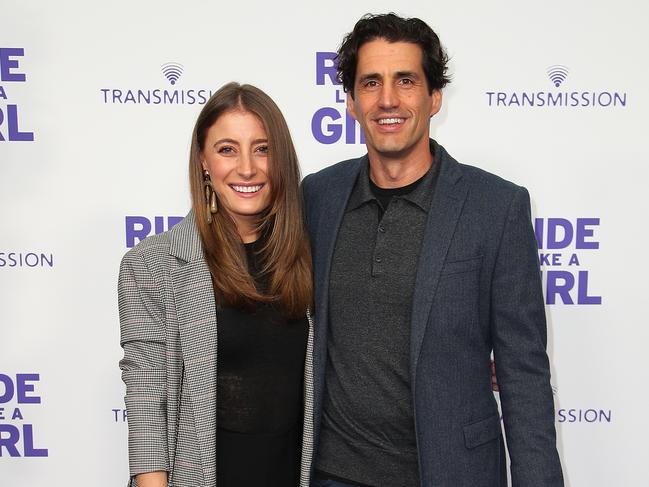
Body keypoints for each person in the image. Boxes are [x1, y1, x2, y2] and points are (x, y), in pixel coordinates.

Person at [302, 13, 564, 487]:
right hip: (332, 473)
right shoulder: (318, 196)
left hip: (452, 473)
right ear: (351, 102)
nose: (388, 100)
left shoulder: (496, 207)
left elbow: (523, 373)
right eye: (370, 83)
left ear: (434, 96)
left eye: (406, 81)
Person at [118, 82, 314, 487]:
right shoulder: (153, 265)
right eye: (227, 149)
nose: (246, 167)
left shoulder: (313, 254)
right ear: (204, 161)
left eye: (263, 148)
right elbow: (145, 399)